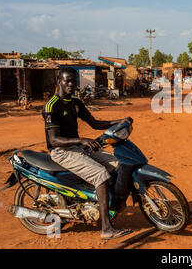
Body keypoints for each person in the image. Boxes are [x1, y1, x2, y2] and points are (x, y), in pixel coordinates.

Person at [42, 67, 133, 240]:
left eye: (74, 81)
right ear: (59, 82)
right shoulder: (51, 106)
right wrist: (81, 140)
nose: (71, 84)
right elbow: (53, 140)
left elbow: (95, 123)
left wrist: (119, 122)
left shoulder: (75, 102)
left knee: (118, 163)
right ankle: (106, 228)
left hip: (78, 148)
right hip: (62, 152)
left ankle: (109, 205)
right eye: (67, 81)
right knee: (101, 174)